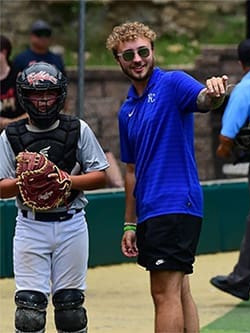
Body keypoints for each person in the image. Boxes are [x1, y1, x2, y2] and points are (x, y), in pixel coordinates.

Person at [106, 21, 228, 333]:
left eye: (143, 51)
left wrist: (214, 93)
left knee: (164, 294)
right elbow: (131, 172)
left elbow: (204, 100)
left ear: (153, 51)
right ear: (118, 60)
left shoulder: (173, 83)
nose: (137, 59)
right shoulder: (126, 111)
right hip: (151, 211)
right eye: (128, 55)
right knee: (178, 290)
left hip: (175, 204)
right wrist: (129, 223)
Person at [0, 61, 109, 333]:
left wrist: (64, 180)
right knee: (29, 312)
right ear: (24, 96)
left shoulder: (76, 129)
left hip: (71, 223)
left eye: (49, 94)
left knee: (70, 308)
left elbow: (100, 175)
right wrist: (28, 182)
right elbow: (1, 186)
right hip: (30, 225)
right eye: (36, 95)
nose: (43, 101)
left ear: (60, 94)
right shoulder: (11, 135)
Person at [210, 39, 250, 302]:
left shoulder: (245, 88)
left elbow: (226, 136)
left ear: (240, 63)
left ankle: (242, 280)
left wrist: (225, 152)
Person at [0, 35, 27, 132]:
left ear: (4, 52)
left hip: (17, 133)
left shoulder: (19, 78)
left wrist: (9, 123)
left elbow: (32, 113)